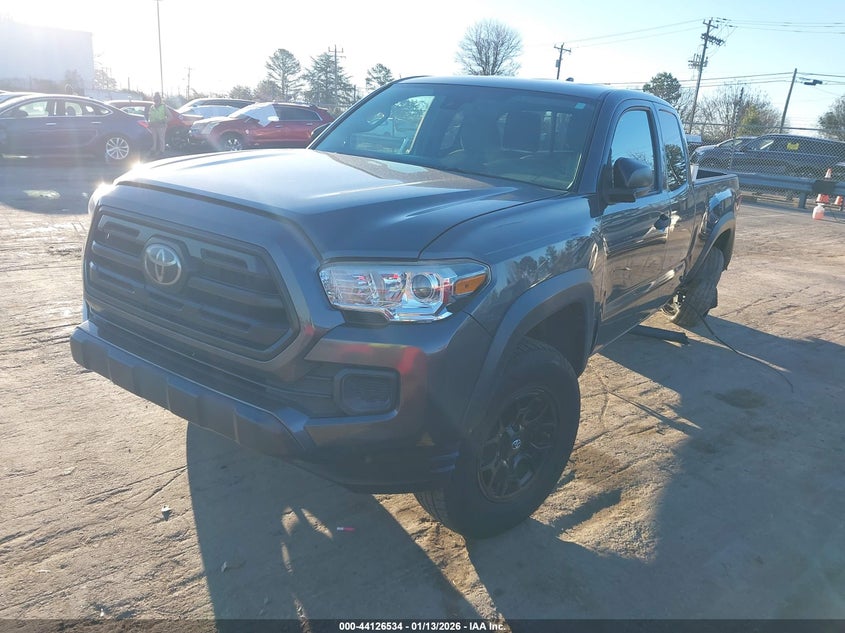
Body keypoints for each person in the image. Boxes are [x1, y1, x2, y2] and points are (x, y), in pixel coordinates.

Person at [148, 92, 168, 157]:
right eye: (154, 99)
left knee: (161, 139)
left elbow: (170, 116)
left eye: (157, 99)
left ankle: (162, 151)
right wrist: (149, 122)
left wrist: (164, 121)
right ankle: (154, 149)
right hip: (153, 125)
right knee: (154, 138)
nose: (155, 100)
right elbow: (149, 116)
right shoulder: (152, 107)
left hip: (161, 126)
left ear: (159, 99)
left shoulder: (163, 106)